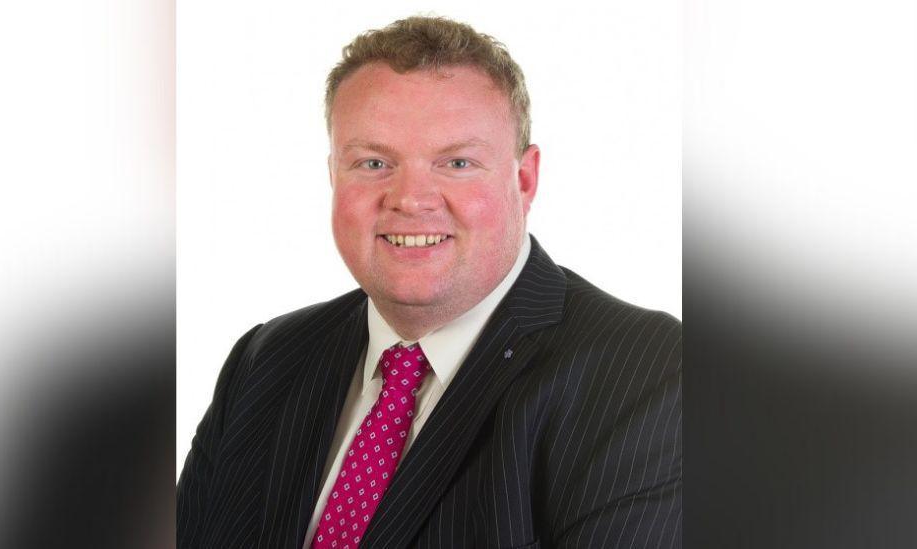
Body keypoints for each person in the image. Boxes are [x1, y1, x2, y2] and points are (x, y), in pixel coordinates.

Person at [178, 15, 681, 549]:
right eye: (372, 162)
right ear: (333, 176)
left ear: (525, 179)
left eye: (457, 163)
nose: (411, 199)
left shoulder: (650, 375)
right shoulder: (266, 358)